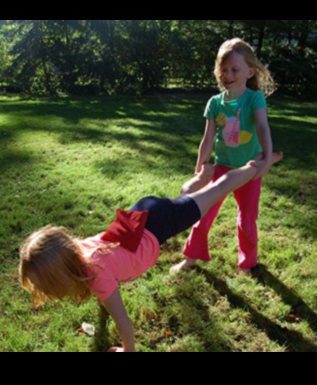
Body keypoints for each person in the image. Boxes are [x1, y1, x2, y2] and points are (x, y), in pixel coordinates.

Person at [19, 153, 282, 352]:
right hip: (142, 212)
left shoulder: (98, 276)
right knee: (181, 204)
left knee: (217, 190)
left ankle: (254, 167)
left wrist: (128, 350)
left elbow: (123, 322)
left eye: (47, 284)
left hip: (155, 225)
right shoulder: (77, 251)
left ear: (63, 273)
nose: (46, 290)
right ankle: (200, 179)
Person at [170, 38, 277, 276]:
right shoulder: (215, 103)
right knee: (203, 213)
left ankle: (247, 263)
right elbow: (207, 140)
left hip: (249, 171)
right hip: (220, 169)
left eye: (234, 69)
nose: (227, 74)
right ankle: (191, 258)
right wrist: (200, 169)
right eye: (223, 69)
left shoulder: (254, 99)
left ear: (250, 72)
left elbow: (262, 127)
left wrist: (266, 159)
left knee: (246, 219)